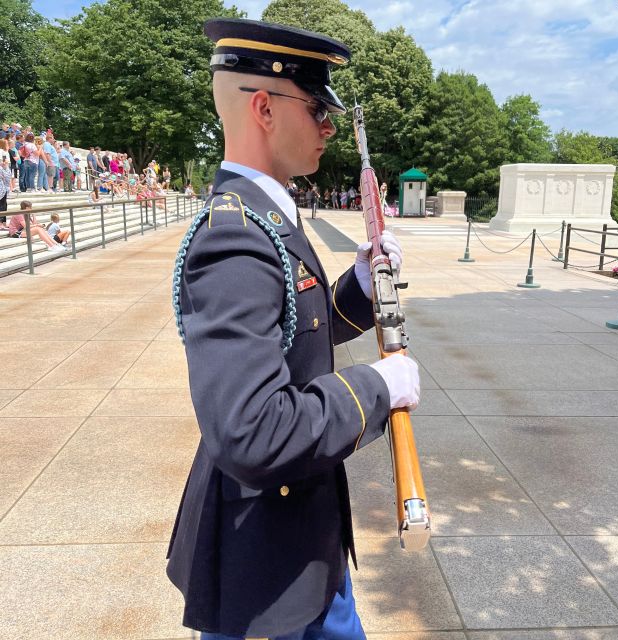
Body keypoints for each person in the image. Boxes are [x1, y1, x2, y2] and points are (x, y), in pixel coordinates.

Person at [166, 18, 418, 640]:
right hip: (265, 570)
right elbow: (252, 431)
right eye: (317, 109)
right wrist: (376, 389)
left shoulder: (265, 215)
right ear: (263, 107)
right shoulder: (233, 238)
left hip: (306, 535)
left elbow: (298, 333)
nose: (330, 127)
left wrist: (357, 283)